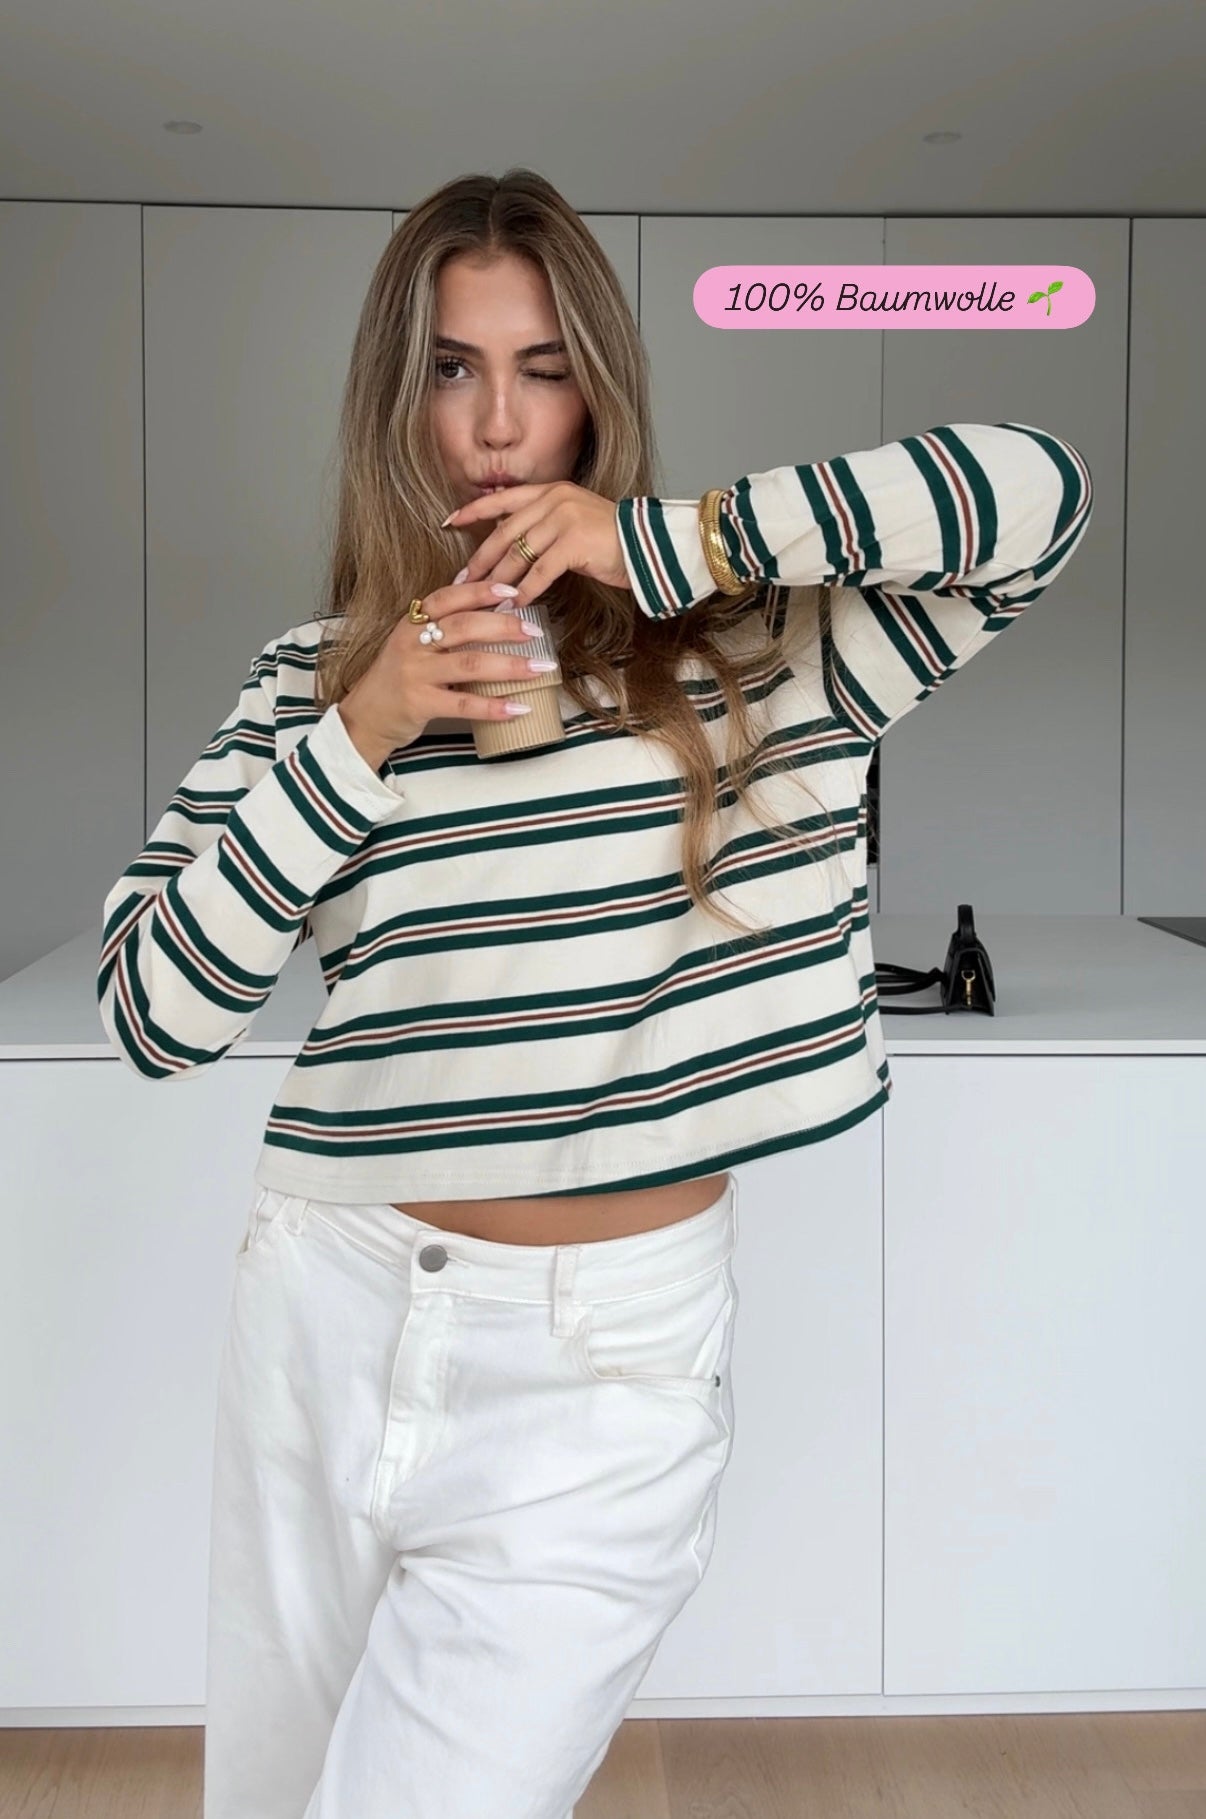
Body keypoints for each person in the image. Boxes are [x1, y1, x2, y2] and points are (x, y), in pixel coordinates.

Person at [96, 167, 1094, 1818]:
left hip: (603, 1366)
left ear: (597, 397)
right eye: (451, 367)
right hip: (326, 1309)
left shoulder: (755, 650)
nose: (497, 424)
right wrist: (365, 723)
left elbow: (1035, 495)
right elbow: (152, 1015)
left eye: (542, 368)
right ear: (394, 398)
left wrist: (664, 542)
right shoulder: (307, 682)